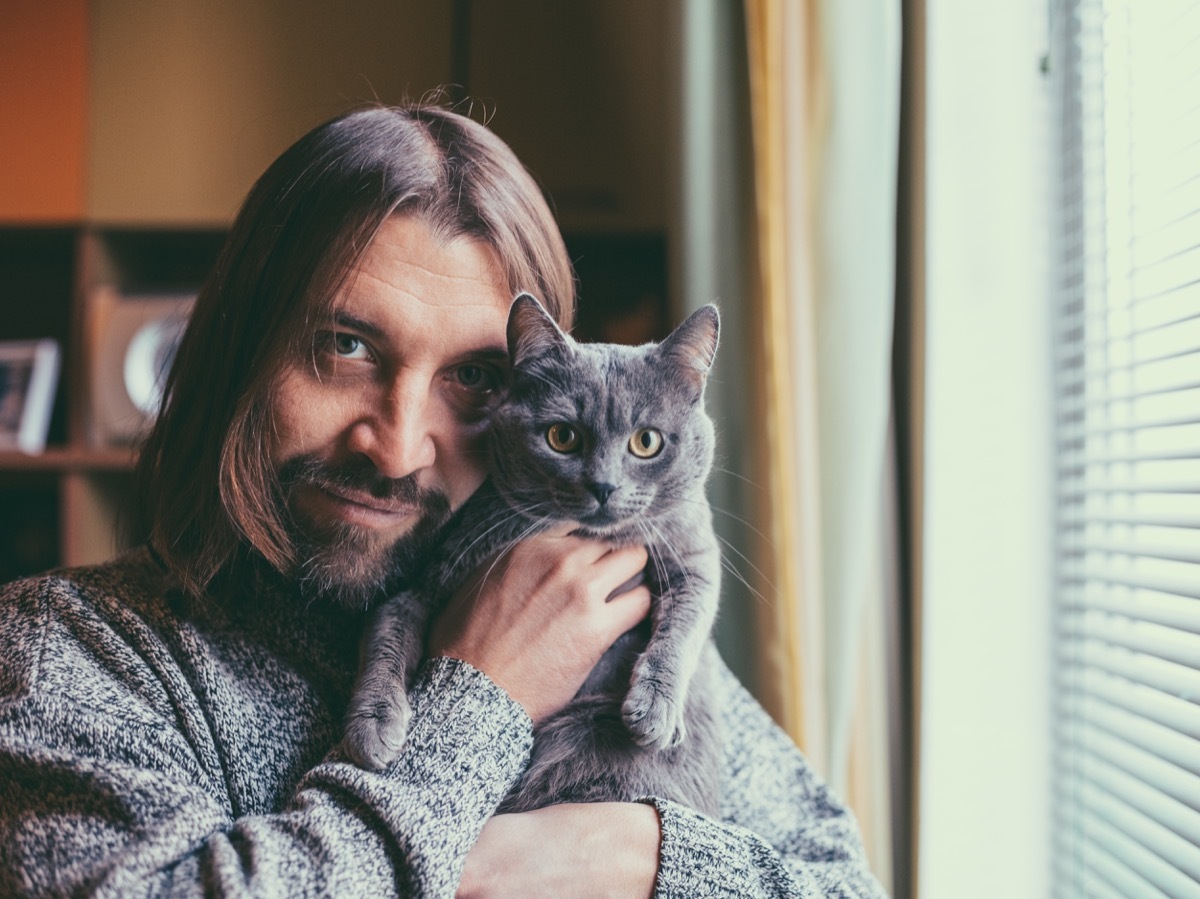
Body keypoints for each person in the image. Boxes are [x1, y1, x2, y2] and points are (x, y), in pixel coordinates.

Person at [0, 105, 887, 898]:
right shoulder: (65, 655)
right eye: (346, 346)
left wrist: (643, 855)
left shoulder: (599, 600)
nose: (395, 443)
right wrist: (481, 701)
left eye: (472, 377)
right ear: (237, 346)